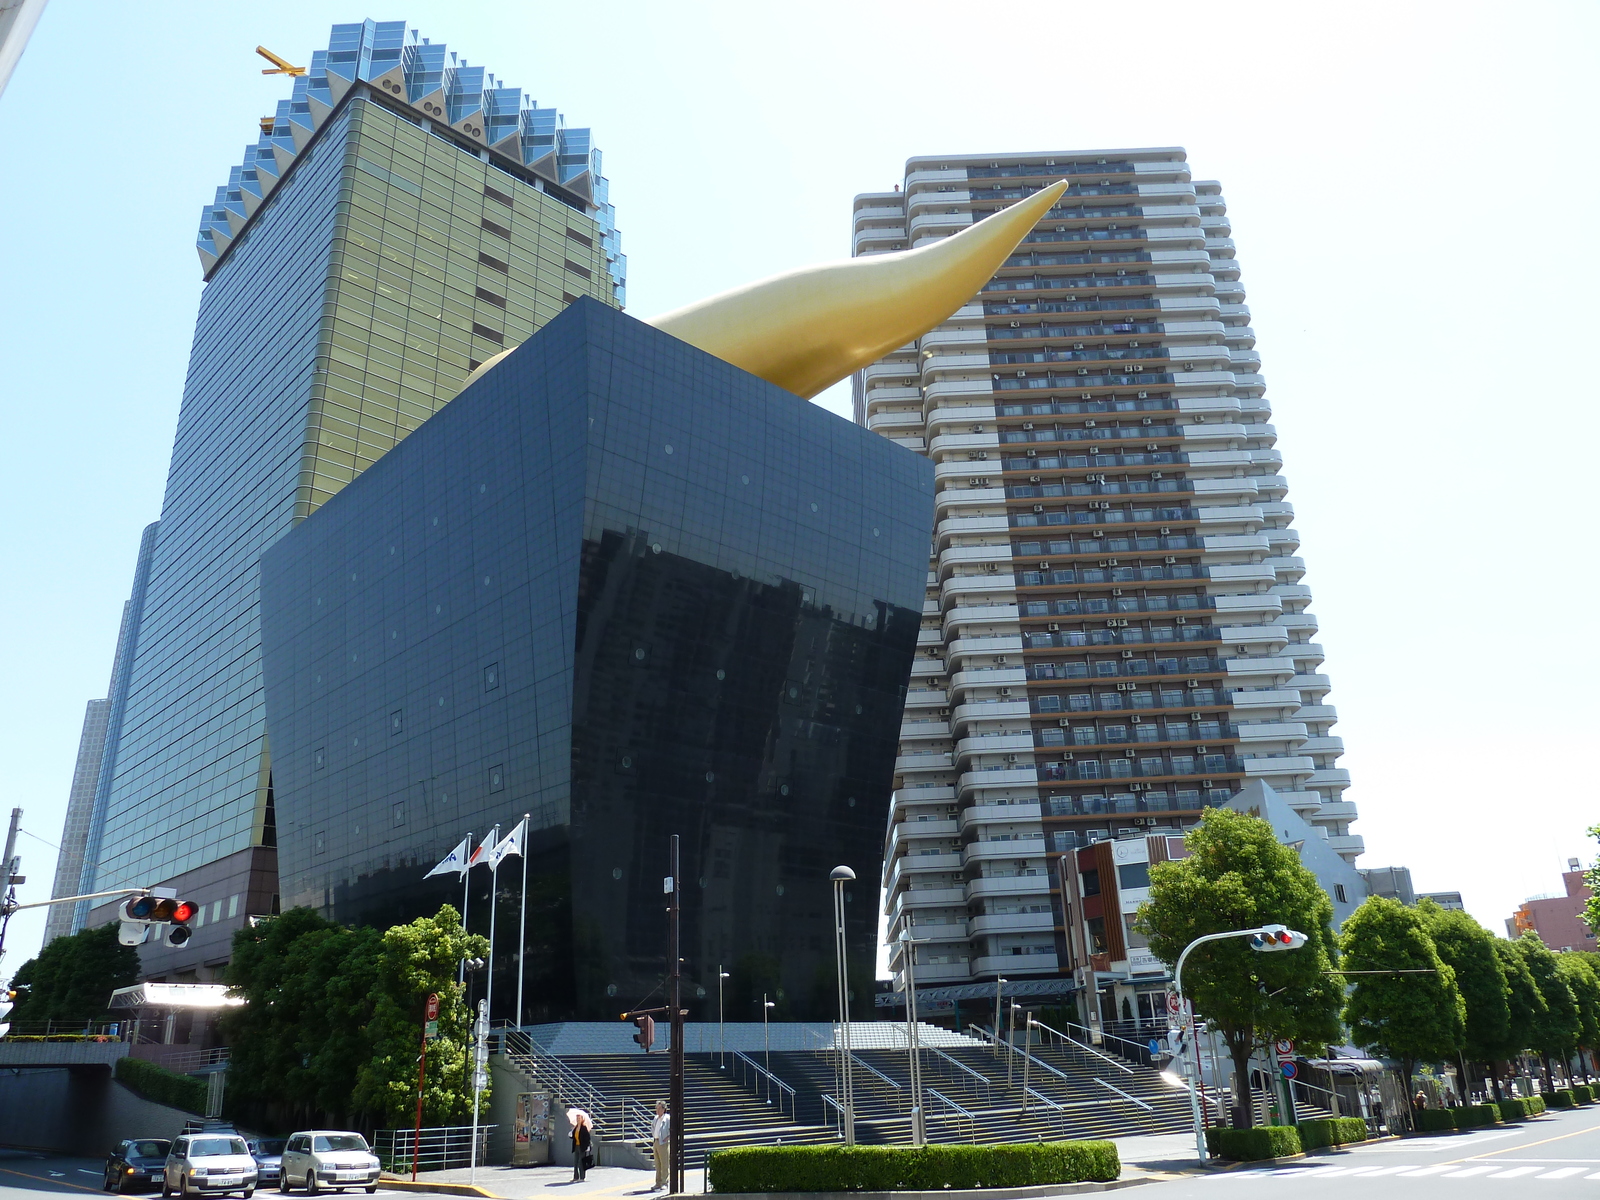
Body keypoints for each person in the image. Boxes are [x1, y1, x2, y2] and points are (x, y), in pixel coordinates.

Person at [568, 1108, 594, 1182]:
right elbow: (574, 1136)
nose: (578, 1119)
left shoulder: (584, 1128)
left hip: (582, 1147)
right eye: (577, 1118)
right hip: (576, 1146)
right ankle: (576, 1177)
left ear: (582, 1119)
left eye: (579, 1118)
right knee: (575, 1162)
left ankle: (582, 1177)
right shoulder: (575, 1127)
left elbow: (587, 1138)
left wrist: (587, 1146)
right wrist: (571, 1134)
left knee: (581, 1162)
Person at [651, 1100, 670, 1191]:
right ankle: (657, 1183)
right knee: (657, 1164)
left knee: (664, 1163)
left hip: (663, 1143)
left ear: (663, 1109)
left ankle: (664, 1182)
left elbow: (672, 1129)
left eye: (658, 1108)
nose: (657, 1110)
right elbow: (653, 1128)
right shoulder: (656, 1118)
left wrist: (668, 1137)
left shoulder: (667, 1118)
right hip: (656, 1142)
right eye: (656, 1108)